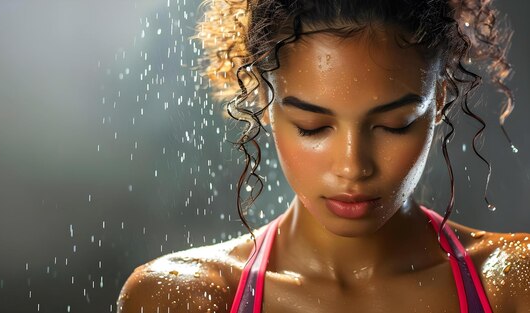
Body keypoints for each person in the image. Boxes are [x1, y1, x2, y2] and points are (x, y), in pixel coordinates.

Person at [117, 0, 529, 312]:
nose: (352, 167)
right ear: (264, 100)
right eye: (312, 127)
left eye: (393, 124)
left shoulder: (515, 285)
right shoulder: (182, 297)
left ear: (438, 100)